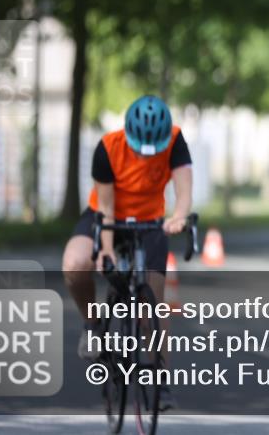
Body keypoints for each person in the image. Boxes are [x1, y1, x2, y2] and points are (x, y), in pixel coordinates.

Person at [61, 94, 192, 409]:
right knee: (75, 264)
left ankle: (159, 380)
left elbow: (184, 190)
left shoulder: (175, 140)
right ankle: (93, 325)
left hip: (150, 222)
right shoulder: (108, 148)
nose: (147, 155)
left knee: (153, 306)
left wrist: (179, 217)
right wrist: (105, 250)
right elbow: (106, 210)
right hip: (106, 217)